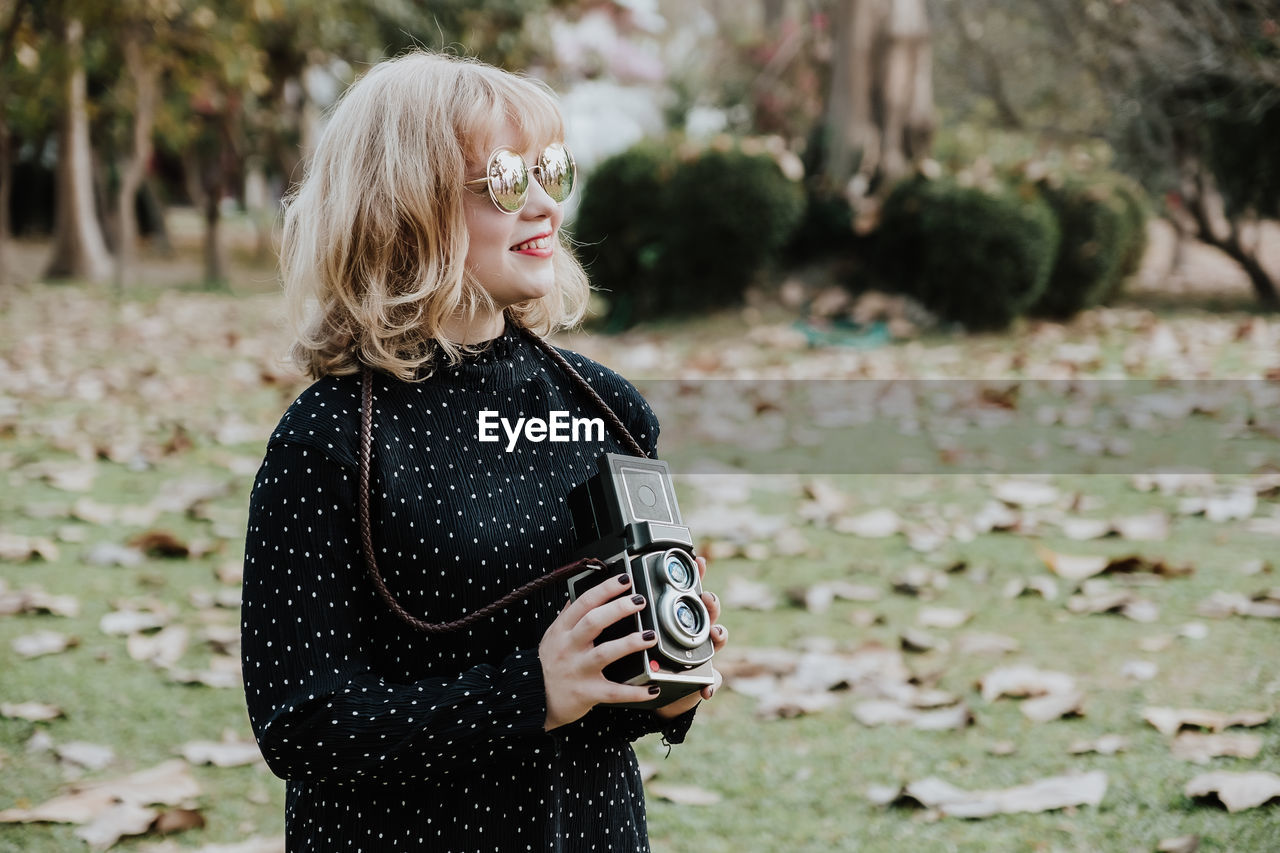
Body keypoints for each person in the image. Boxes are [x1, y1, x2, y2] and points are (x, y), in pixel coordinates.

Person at [241, 50, 727, 852]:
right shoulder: (325, 441)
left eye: (551, 172)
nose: (543, 204)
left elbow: (615, 686)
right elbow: (302, 723)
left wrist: (671, 685)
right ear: (406, 205)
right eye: (506, 179)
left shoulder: (605, 409)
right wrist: (529, 690)